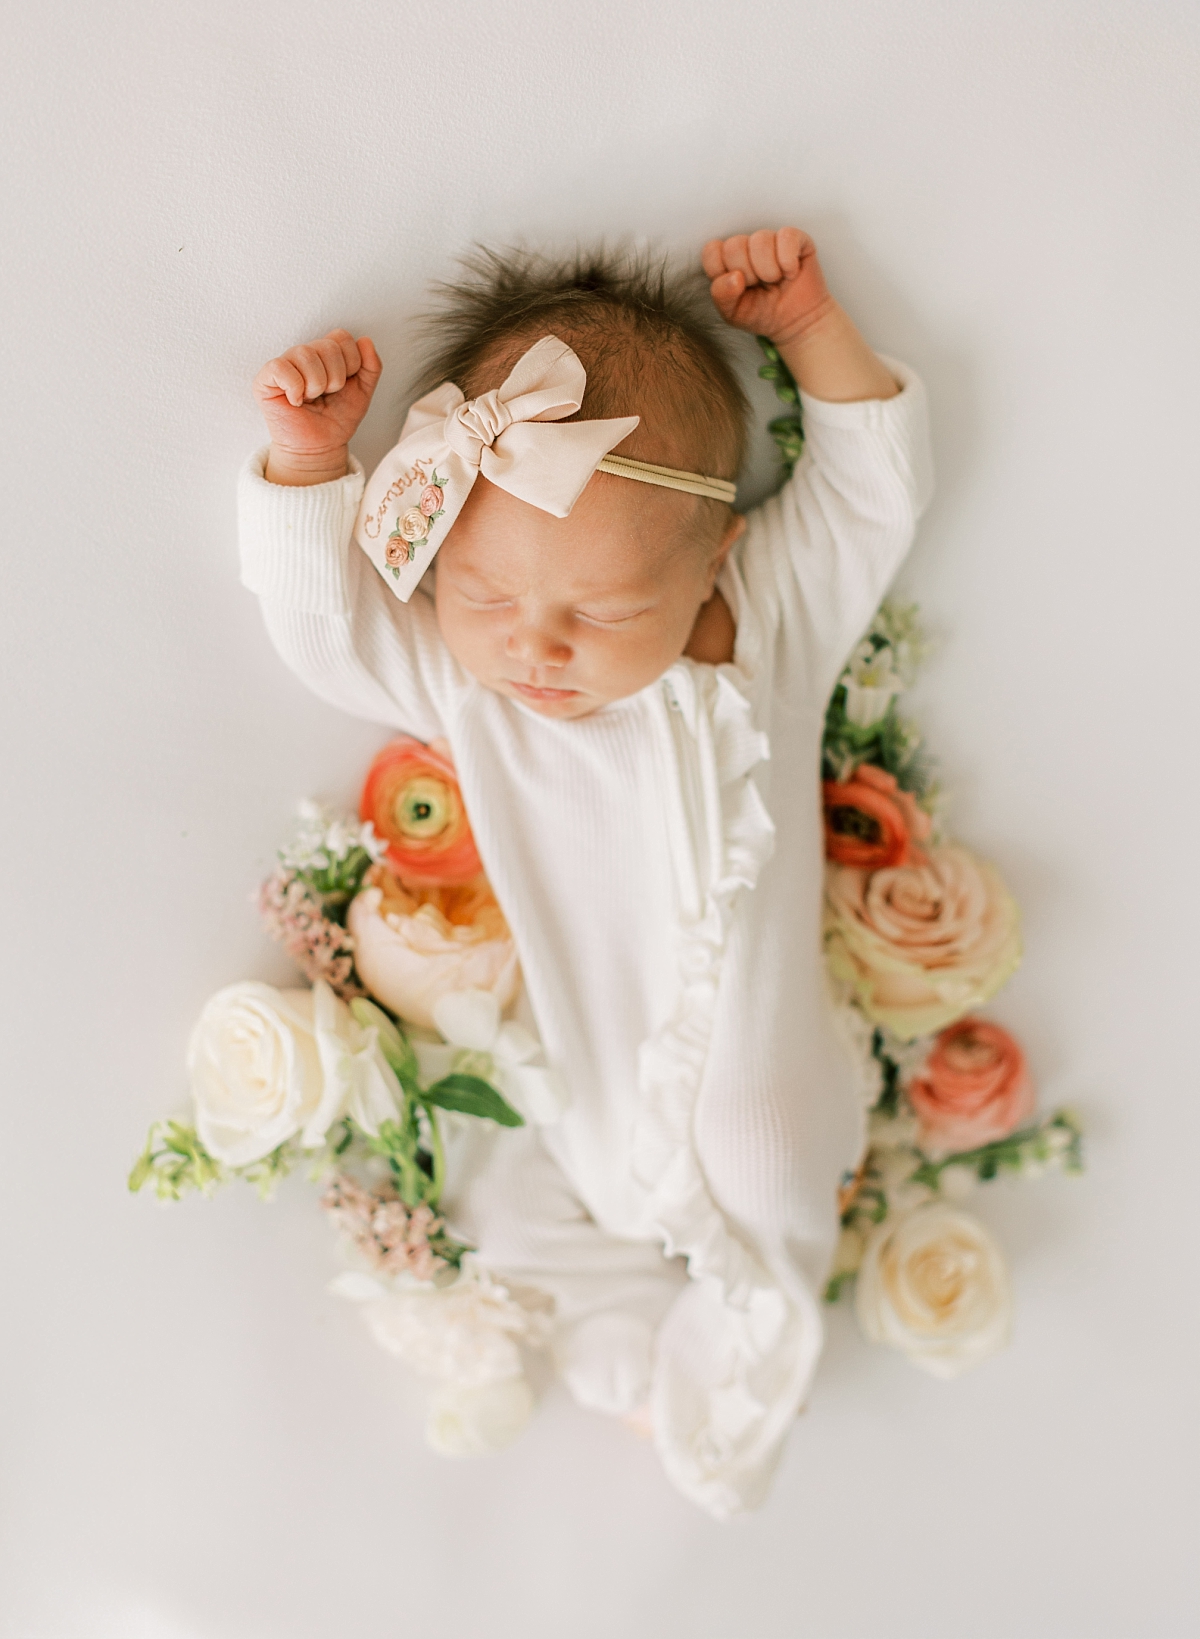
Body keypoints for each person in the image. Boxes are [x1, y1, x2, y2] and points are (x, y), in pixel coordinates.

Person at [240, 227, 932, 1517]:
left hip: (758, 1053)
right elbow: (325, 628)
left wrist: (812, 329)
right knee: (503, 1183)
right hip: (576, 1062)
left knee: (770, 1155)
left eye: (605, 615)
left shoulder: (763, 627)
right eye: (485, 596)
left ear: (712, 559)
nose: (537, 648)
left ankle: (747, 1359)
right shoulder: (470, 681)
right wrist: (309, 464)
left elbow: (870, 497)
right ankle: (614, 1315)